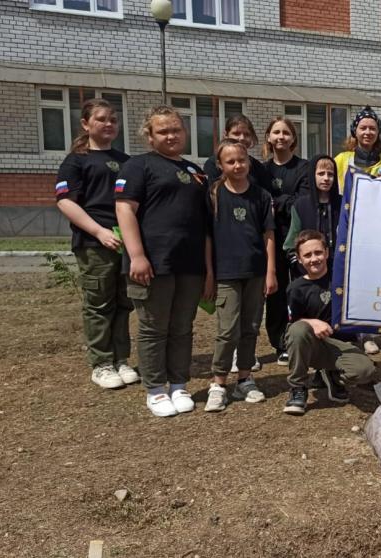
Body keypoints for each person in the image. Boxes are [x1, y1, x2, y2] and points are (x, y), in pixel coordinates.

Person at [115, 105, 212, 418]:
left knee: (183, 327)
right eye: (163, 131)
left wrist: (208, 269)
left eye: (176, 129)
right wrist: (137, 255)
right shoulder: (137, 166)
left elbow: (205, 224)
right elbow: (125, 209)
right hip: (153, 263)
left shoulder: (196, 171)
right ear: (150, 136)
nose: (171, 135)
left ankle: (179, 383)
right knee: (154, 327)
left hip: (190, 264)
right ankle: (156, 389)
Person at [54, 98, 137, 389]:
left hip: (124, 240)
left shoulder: (126, 161)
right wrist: (100, 232)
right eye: (101, 119)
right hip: (95, 242)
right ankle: (101, 363)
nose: (109, 124)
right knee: (99, 303)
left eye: (113, 119)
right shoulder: (76, 160)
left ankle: (121, 359)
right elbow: (65, 202)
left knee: (124, 302)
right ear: (86, 124)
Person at [204, 139, 277, 412]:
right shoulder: (213, 194)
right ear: (221, 165)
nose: (238, 166)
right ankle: (218, 383)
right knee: (227, 330)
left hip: (256, 272)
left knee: (250, 328)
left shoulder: (261, 196)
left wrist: (271, 272)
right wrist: (209, 273)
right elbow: (208, 237)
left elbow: (268, 235)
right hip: (225, 273)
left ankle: (245, 378)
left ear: (249, 161)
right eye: (231, 161)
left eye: (242, 160)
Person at [283, 230, 377, 415]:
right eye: (307, 255)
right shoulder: (296, 288)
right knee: (299, 329)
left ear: (326, 252)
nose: (314, 259)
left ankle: (333, 375)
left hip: (341, 344)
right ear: (300, 259)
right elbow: (293, 324)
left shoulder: (343, 278)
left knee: (365, 371)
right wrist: (312, 322)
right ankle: (298, 388)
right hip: (313, 345)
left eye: (318, 252)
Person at [262, 117, 310, 366]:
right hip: (271, 239)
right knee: (276, 294)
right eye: (276, 132)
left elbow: (301, 202)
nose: (281, 137)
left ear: (293, 138)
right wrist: (282, 201)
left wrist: (275, 202)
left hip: (299, 239)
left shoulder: (304, 167)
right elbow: (260, 202)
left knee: (301, 289)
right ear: (268, 137)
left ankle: (302, 339)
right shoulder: (262, 169)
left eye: (286, 133)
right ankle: (280, 342)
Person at [283, 155, 341, 273]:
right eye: (321, 174)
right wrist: (298, 266)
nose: (326, 178)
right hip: (308, 272)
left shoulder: (343, 205)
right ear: (312, 175)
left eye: (330, 174)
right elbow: (291, 242)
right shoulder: (301, 205)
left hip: (337, 270)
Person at [334, 106, 381, 194]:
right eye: (363, 128)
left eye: (372, 128)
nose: (368, 132)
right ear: (355, 131)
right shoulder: (341, 160)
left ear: (378, 132)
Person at [202, 114, 271, 193]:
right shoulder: (213, 164)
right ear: (226, 135)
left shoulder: (258, 167)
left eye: (247, 134)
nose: (242, 138)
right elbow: (213, 197)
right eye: (236, 133)